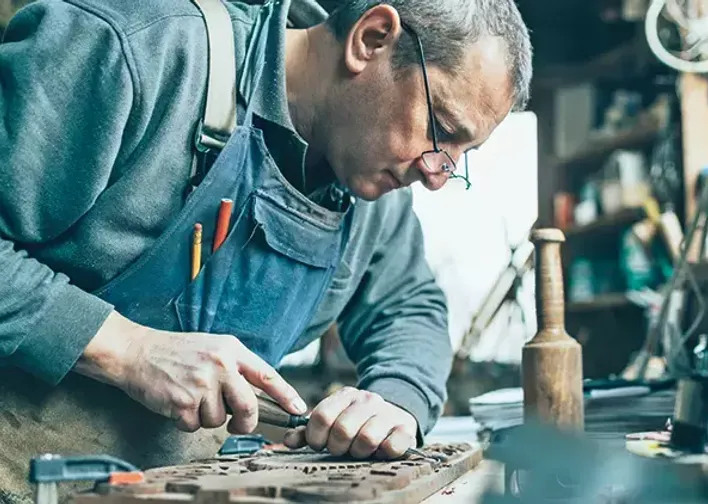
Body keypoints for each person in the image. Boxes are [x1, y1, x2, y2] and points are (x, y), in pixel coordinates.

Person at [0, 0, 532, 499]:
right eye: (440, 130)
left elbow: (409, 305)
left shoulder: (370, 185)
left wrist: (395, 400)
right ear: (371, 39)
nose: (438, 175)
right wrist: (126, 349)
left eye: (463, 154)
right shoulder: (135, 50)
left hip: (182, 485)